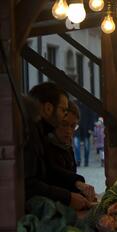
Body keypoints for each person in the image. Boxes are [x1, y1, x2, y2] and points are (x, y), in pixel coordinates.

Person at [25, 82, 91, 210]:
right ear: (48, 108)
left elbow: (49, 170)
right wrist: (68, 197)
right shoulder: (30, 133)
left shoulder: (40, 132)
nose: (64, 117)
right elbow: (30, 184)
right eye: (63, 110)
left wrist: (76, 183)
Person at [44, 101, 96, 202]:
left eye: (73, 126)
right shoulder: (45, 145)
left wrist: (82, 192)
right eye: (64, 124)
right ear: (55, 122)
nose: (68, 130)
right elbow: (53, 175)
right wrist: (76, 183)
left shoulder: (67, 147)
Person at [74, 101, 96, 167]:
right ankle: (78, 161)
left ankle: (86, 161)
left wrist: (90, 128)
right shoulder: (75, 104)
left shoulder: (88, 105)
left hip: (86, 128)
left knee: (86, 146)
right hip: (77, 128)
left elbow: (91, 116)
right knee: (76, 146)